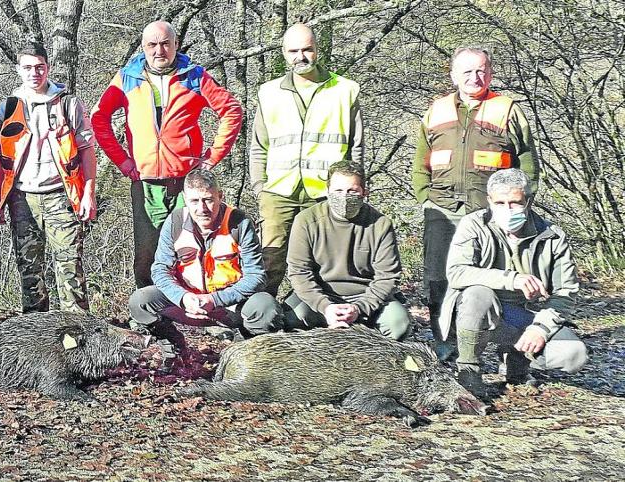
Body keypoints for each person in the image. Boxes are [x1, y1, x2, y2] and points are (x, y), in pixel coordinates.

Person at [90, 20, 243, 288]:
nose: (159, 50)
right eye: (152, 45)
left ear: (175, 45)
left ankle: (196, 306)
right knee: (147, 250)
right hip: (146, 180)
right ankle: (149, 308)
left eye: (165, 43)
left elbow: (231, 111)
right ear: (143, 47)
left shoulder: (195, 76)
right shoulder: (127, 77)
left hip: (187, 181)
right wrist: (123, 162)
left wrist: (211, 158)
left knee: (190, 246)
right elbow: (99, 117)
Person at [413, 47, 539, 358]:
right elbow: (420, 162)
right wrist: (424, 196)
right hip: (442, 209)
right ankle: (445, 344)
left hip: (491, 214)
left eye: (481, 70)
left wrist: (519, 206)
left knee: (496, 277)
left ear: (491, 73)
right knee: (438, 279)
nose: (475, 77)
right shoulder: (436, 111)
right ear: (453, 75)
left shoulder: (508, 110)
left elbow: (528, 163)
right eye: (467, 71)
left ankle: (501, 345)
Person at [441, 169, 586, 396]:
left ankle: (517, 365)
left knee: (572, 354)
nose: (507, 209)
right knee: (477, 295)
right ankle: (468, 371)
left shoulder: (553, 237)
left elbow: (565, 293)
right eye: (500, 202)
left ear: (528, 201)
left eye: (515, 202)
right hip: (479, 312)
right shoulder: (473, 224)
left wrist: (540, 328)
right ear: (489, 200)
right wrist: (512, 279)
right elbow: (457, 273)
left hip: (528, 314)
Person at [249, 23, 364, 296]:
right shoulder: (269, 92)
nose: (300, 56)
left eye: (307, 49)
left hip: (325, 193)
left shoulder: (344, 89)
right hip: (278, 191)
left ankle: (320, 320)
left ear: (317, 50)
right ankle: (260, 320)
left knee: (326, 260)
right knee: (270, 260)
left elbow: (356, 147)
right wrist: (259, 187)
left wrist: (353, 190)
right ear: (284, 53)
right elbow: (258, 146)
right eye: (293, 50)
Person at [128, 167, 281, 359]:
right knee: (140, 301)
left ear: (220, 196)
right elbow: (160, 270)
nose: (202, 209)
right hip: (187, 302)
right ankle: (174, 347)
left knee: (266, 308)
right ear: (185, 198)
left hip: (230, 305)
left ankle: (244, 355)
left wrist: (215, 299)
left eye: (208, 200)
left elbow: (257, 276)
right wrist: (183, 297)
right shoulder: (175, 221)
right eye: (194, 201)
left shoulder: (239, 222)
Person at [0, 44, 97, 313]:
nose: (34, 73)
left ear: (47, 67)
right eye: (27, 67)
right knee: (29, 271)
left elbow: (86, 149)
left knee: (70, 265)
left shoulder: (67, 102)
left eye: (39, 67)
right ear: (18, 70)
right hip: (21, 198)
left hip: (61, 196)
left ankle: (77, 334)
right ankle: (37, 336)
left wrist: (88, 192)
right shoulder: (8, 107)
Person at [285, 161, 411, 340]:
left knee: (398, 323)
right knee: (292, 317)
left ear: (364, 192)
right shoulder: (306, 221)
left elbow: (388, 276)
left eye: (352, 191)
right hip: (321, 296)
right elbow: (299, 272)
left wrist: (360, 308)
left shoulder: (380, 224)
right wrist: (325, 307)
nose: (344, 197)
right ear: (328, 191)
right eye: (338, 191)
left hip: (365, 297)